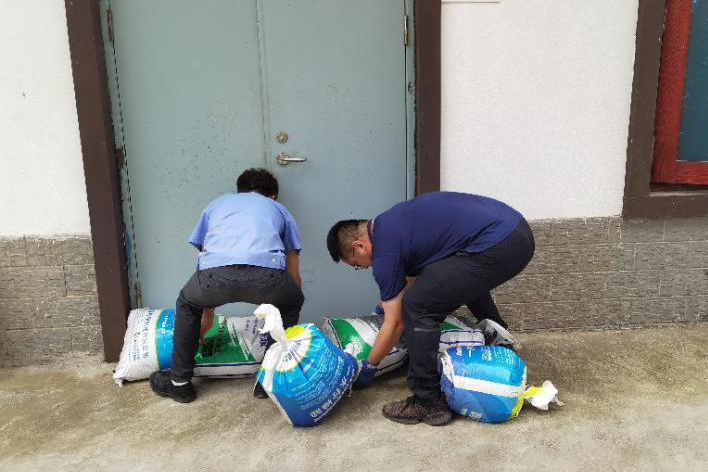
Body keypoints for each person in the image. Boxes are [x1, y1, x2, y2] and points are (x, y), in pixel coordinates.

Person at [326, 191, 534, 426]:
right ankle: (499, 340)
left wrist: (370, 365)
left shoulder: (384, 252)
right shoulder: (390, 224)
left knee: (417, 307)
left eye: (357, 265)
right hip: (516, 230)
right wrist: (390, 302)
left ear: (359, 246)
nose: (364, 267)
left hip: (497, 244)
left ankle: (427, 402)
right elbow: (416, 279)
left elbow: (396, 324)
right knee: (459, 278)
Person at [150, 168, 304, 403]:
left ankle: (179, 383)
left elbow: (206, 255)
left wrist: (207, 315)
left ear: (239, 190)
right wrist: (290, 295)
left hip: (214, 277)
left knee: (188, 303)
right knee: (292, 301)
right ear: (272, 196)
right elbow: (293, 263)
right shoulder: (279, 209)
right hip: (267, 276)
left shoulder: (217, 205)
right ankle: (269, 381)